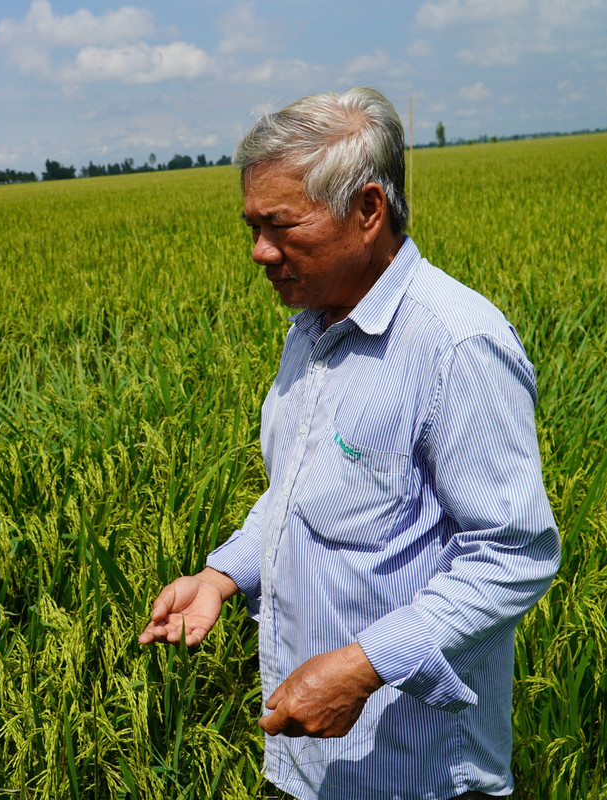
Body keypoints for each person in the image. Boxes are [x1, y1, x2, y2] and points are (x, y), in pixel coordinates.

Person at [137, 87, 560, 799]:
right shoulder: (311, 330)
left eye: (281, 226)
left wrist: (364, 666)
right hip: (308, 761)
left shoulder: (456, 345)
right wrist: (223, 578)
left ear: (367, 211)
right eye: (251, 225)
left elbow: (515, 556)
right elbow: (300, 494)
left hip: (417, 773)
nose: (258, 252)